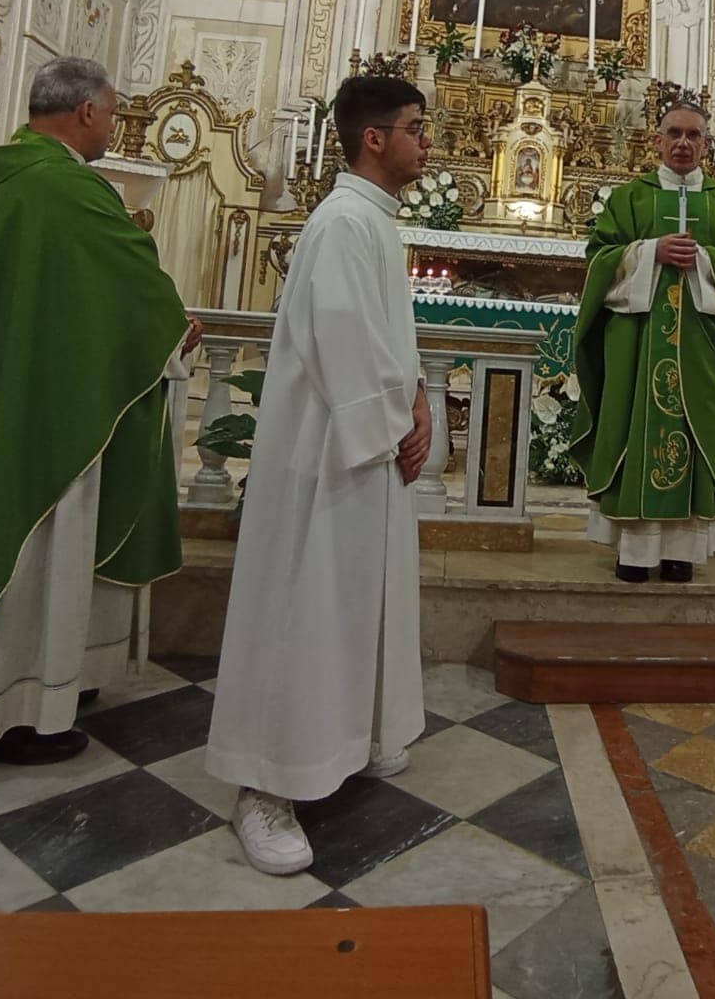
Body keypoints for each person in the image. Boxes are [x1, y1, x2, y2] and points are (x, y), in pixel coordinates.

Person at [0, 57, 197, 763]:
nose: (113, 125)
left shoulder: (7, 178)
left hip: (17, 395)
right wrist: (175, 325)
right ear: (84, 111)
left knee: (11, 536)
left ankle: (27, 687)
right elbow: (133, 277)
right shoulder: (66, 188)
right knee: (35, 544)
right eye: (112, 112)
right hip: (48, 411)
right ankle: (15, 711)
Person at [206, 75, 433, 876]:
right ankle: (263, 788)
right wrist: (392, 421)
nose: (424, 142)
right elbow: (340, 338)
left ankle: (342, 738)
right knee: (301, 607)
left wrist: (419, 399)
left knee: (345, 606)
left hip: (365, 445)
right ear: (374, 138)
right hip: (332, 451)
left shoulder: (368, 219)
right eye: (413, 128)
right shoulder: (342, 224)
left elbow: (383, 336)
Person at [569, 98, 715, 582]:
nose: (682, 143)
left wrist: (702, 260)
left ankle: (682, 551)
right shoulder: (629, 199)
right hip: (636, 344)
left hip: (701, 348)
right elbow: (597, 258)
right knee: (631, 430)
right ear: (655, 141)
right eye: (673, 133)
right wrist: (648, 252)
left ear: (707, 145)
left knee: (700, 438)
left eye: (692, 135)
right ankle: (633, 552)